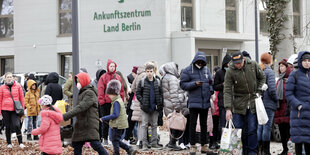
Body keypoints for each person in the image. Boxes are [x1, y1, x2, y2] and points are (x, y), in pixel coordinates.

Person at [224, 51, 266, 155]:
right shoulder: (230, 71)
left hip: (252, 101)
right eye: (236, 63)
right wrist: (228, 109)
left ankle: (252, 152)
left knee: (252, 129)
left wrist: (259, 90)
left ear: (243, 59)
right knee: (238, 131)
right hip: (238, 103)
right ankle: (241, 151)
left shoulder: (253, 65)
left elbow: (262, 77)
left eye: (239, 62)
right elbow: (227, 90)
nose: (238, 65)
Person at [63, 72, 108, 155]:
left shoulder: (89, 93)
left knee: (95, 144)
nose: (77, 84)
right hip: (82, 124)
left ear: (84, 81)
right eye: (77, 82)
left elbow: (81, 107)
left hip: (89, 123)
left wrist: (65, 116)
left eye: (79, 81)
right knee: (76, 144)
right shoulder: (83, 92)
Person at [180, 51, 214, 154]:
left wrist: (210, 90)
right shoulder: (187, 70)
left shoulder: (206, 70)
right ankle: (192, 145)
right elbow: (183, 84)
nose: (200, 63)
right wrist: (194, 84)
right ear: (195, 60)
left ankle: (204, 145)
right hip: (194, 102)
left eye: (202, 62)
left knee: (204, 125)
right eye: (198, 61)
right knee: (193, 124)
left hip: (205, 101)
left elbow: (210, 82)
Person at [100, 79, 137, 155]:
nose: (108, 96)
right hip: (120, 124)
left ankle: (118, 153)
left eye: (109, 94)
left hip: (118, 124)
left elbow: (115, 114)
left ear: (114, 93)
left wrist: (104, 118)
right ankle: (129, 149)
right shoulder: (118, 99)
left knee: (115, 140)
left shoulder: (116, 102)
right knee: (116, 140)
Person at [285, 51, 310, 155]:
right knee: (299, 143)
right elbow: (288, 93)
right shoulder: (294, 74)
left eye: (309, 60)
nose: (307, 63)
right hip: (299, 115)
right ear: (300, 61)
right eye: (304, 60)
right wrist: (298, 105)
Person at [136, 63, 163, 150]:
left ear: (153, 71)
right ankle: (144, 144)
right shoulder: (142, 82)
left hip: (155, 107)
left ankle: (154, 143)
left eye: (151, 71)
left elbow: (161, 93)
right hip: (145, 108)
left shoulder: (157, 82)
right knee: (144, 125)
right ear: (146, 72)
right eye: (147, 71)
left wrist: (160, 103)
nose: (149, 73)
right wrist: (143, 102)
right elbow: (138, 93)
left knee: (154, 125)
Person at [161, 62, 188, 151]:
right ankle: (172, 143)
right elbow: (174, 94)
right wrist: (177, 107)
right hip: (173, 105)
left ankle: (171, 142)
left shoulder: (165, 77)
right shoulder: (172, 78)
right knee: (177, 124)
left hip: (168, 105)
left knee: (173, 124)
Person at [98, 59, 124, 145]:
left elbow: (121, 90)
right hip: (106, 102)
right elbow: (100, 89)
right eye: (111, 66)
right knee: (105, 121)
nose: (112, 68)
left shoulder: (118, 77)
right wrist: (101, 101)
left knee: (116, 121)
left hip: (115, 102)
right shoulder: (103, 77)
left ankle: (115, 139)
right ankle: (105, 138)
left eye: (113, 66)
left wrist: (122, 101)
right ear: (108, 67)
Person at [257, 52, 278, 155]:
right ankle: (266, 151)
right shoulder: (269, 72)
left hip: (259, 103)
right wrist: (276, 100)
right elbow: (272, 90)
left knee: (260, 126)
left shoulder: (259, 70)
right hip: (268, 103)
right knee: (267, 127)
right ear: (270, 60)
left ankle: (259, 150)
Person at [0, 72, 26, 148]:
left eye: (10, 77)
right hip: (5, 109)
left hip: (15, 109)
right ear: (5, 78)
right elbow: (0, 100)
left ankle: (20, 142)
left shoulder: (18, 86)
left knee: (17, 125)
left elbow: (22, 98)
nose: (9, 78)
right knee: (7, 126)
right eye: (8, 77)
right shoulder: (2, 87)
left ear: (13, 78)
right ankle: (9, 143)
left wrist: (22, 109)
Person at [275, 59, 292, 155]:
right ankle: (284, 149)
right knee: (282, 131)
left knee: (288, 131)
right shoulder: (279, 80)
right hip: (279, 109)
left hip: (287, 109)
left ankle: (289, 150)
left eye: (283, 66)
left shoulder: (290, 79)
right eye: (280, 66)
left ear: (287, 68)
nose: (281, 68)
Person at [213, 54, 231, 137]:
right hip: (222, 101)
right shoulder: (219, 73)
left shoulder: (233, 71)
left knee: (231, 122)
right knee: (223, 122)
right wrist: (222, 85)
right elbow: (215, 87)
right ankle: (222, 140)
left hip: (232, 101)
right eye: (227, 64)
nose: (228, 66)